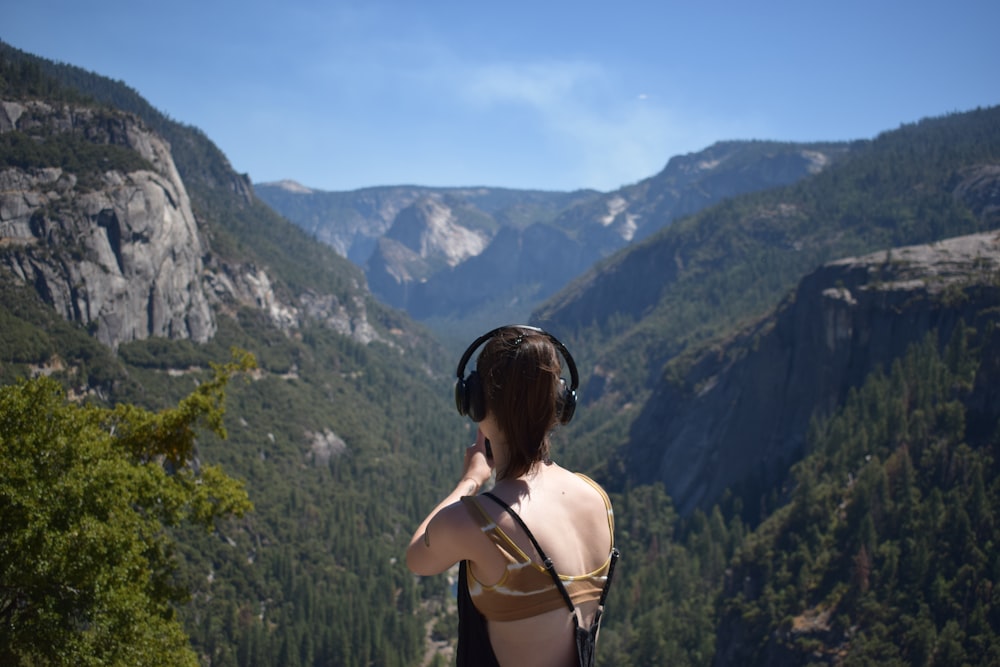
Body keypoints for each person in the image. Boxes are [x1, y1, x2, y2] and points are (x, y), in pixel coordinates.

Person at [407, 325, 618, 667]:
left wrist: (471, 481)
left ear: (474, 403)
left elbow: (417, 557)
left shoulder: (475, 522)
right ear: (560, 406)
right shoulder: (597, 499)